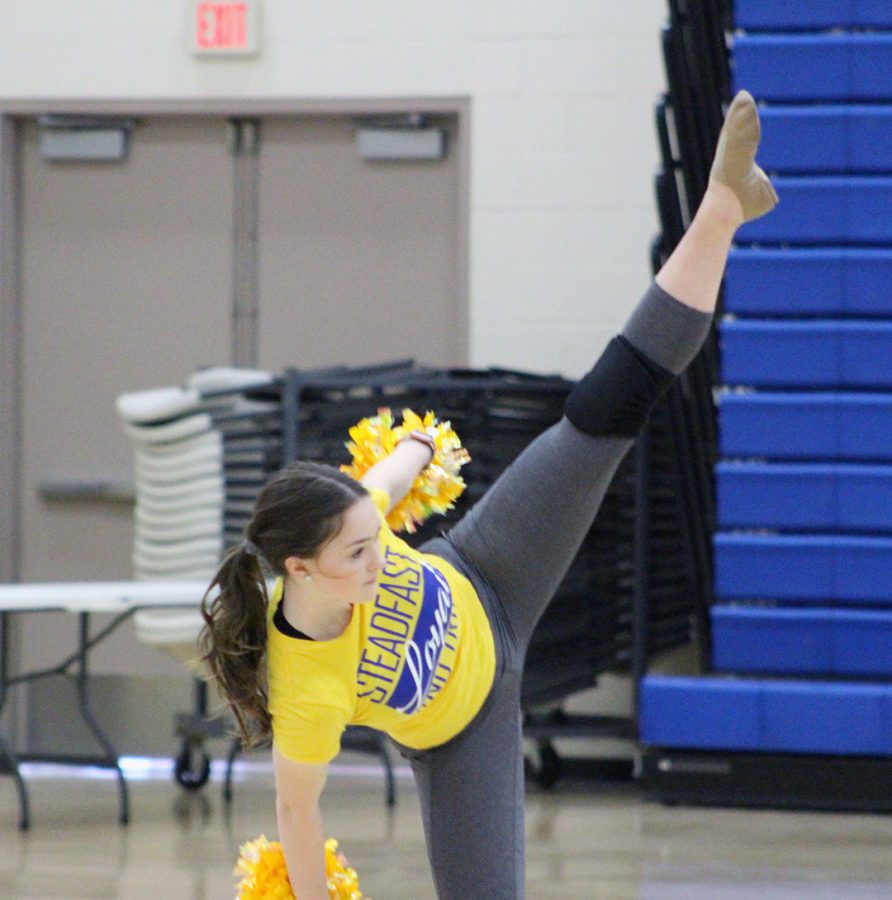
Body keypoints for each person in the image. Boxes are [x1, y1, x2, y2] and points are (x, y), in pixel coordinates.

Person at [199, 90, 777, 900]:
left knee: (605, 409)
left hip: (489, 570)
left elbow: (395, 478)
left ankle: (720, 206)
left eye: (375, 539)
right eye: (358, 554)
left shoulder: (348, 521)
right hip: (462, 732)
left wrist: (415, 445)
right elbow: (298, 815)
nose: (374, 558)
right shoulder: (307, 692)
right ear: (299, 569)